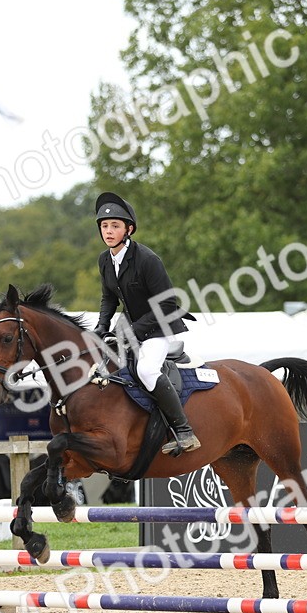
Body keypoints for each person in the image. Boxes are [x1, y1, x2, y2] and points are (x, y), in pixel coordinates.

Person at [91, 191, 200, 454]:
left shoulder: (147, 260)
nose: (108, 231)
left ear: (129, 229)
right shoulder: (105, 260)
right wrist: (101, 327)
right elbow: (108, 298)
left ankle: (185, 431)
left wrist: (134, 332)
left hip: (159, 327)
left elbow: (167, 304)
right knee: (99, 367)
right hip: (130, 324)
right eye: (104, 226)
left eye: (115, 226)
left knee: (147, 370)